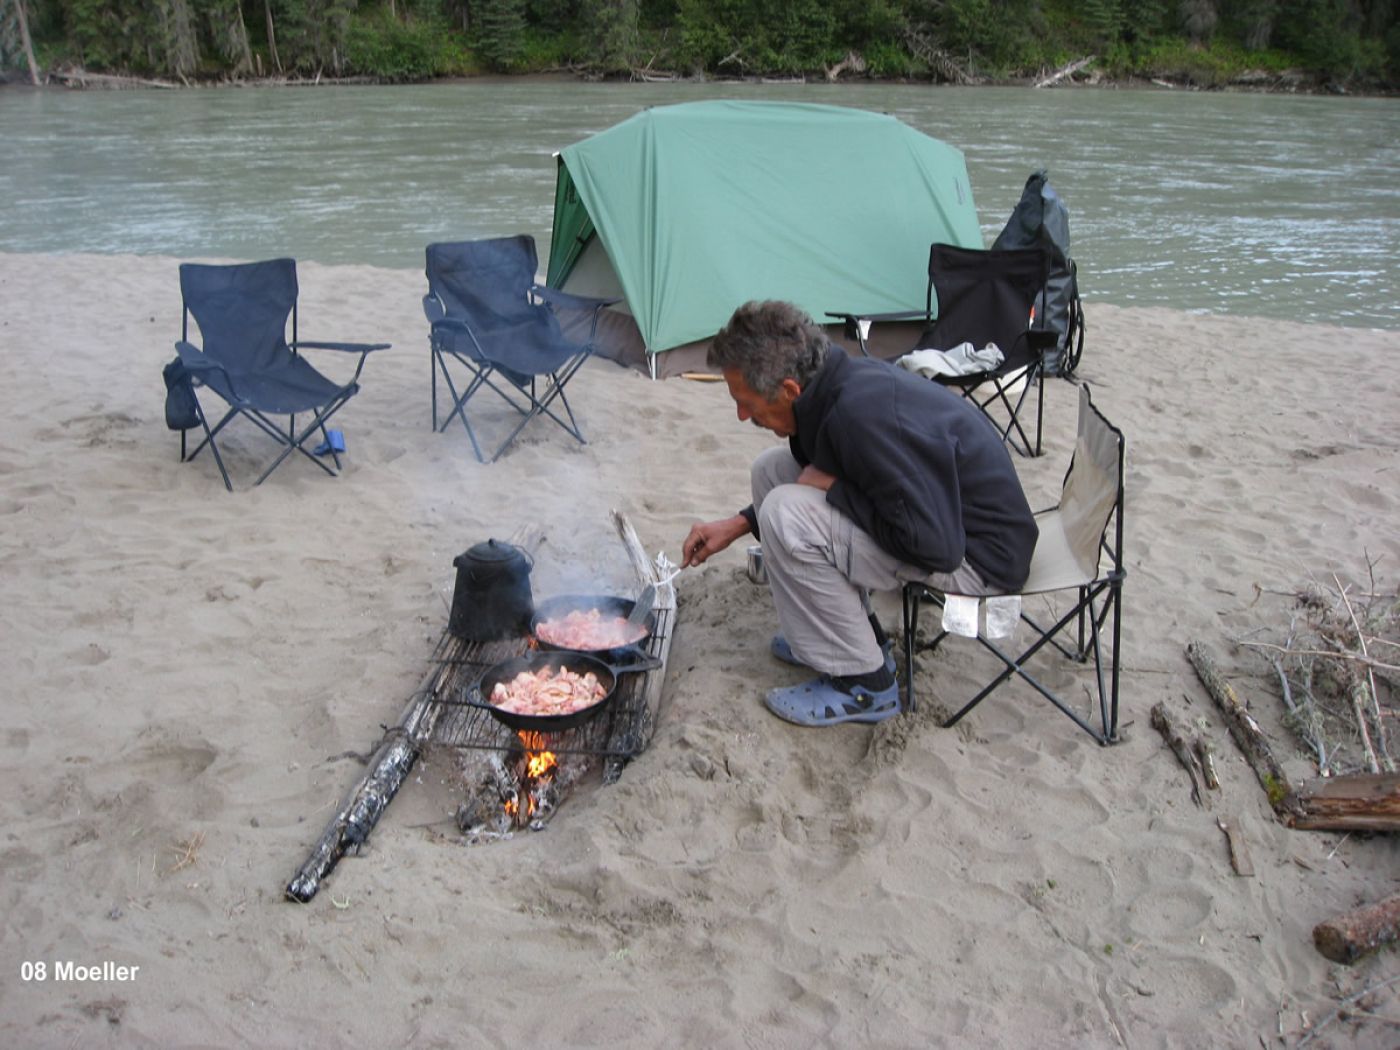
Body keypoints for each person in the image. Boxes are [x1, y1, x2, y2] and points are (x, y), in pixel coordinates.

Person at [681, 300, 1039, 727]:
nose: (742, 415)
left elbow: (934, 546)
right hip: (943, 521)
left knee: (784, 512)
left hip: (978, 558)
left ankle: (866, 685)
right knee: (772, 472)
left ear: (790, 390)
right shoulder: (833, 386)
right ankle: (846, 636)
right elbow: (860, 479)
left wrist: (835, 490)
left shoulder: (860, 416)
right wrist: (739, 525)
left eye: (746, 401)